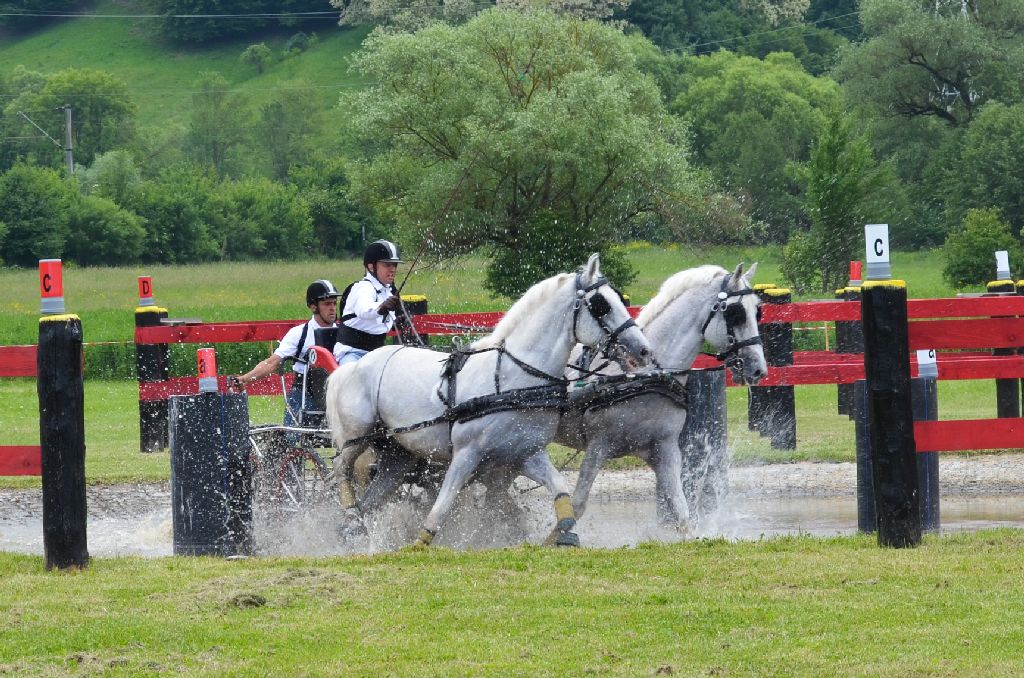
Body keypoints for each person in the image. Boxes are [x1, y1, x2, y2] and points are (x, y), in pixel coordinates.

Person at [233, 279, 341, 428]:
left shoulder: (345, 333)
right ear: (313, 306)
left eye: (334, 303)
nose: (333, 308)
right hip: (304, 393)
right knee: (292, 442)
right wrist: (245, 379)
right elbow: (272, 363)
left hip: (337, 393)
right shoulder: (299, 334)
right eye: (327, 304)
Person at [334, 239, 403, 365]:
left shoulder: (389, 291)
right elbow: (365, 310)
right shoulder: (363, 287)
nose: (393, 269)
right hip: (352, 353)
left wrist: (397, 322)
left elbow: (381, 324)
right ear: (371, 267)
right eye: (387, 265)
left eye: (394, 265)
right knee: (352, 380)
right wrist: (382, 307)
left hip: (377, 354)